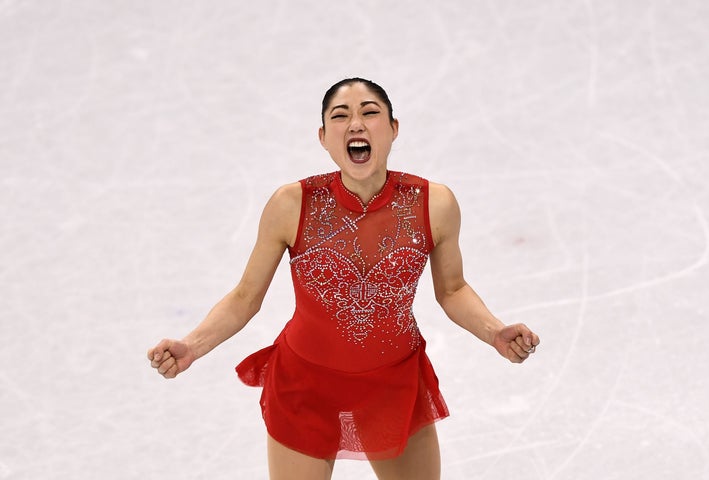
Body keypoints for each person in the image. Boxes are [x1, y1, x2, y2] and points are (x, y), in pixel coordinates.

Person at [147, 77, 540, 480]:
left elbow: (453, 289)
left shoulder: (433, 204)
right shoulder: (291, 205)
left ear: (393, 128)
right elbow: (246, 297)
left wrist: (495, 331)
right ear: (322, 136)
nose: (356, 123)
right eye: (340, 115)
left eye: (370, 112)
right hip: (305, 388)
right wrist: (192, 345)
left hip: (394, 386)